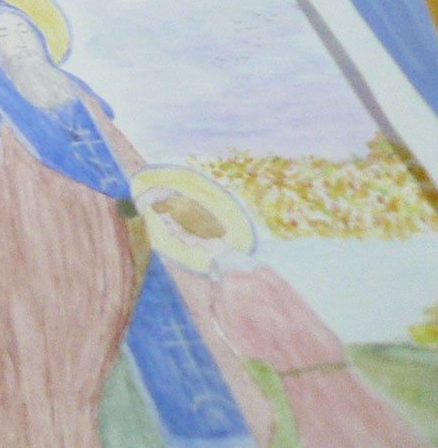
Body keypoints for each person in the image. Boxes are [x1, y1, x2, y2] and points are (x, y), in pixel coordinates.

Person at [0, 0, 254, 448]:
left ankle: (208, 434)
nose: (19, 41)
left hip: (133, 234)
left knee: (168, 329)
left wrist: (152, 191)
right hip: (60, 247)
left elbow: (120, 152)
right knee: (90, 346)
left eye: (23, 30)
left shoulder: (72, 88)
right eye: (4, 34)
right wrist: (88, 213)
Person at [137, 175, 422, 448]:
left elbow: (254, 340)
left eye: (170, 223)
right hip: (305, 374)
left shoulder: (237, 277)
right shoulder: (230, 271)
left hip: (306, 377)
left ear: (191, 221)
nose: (171, 232)